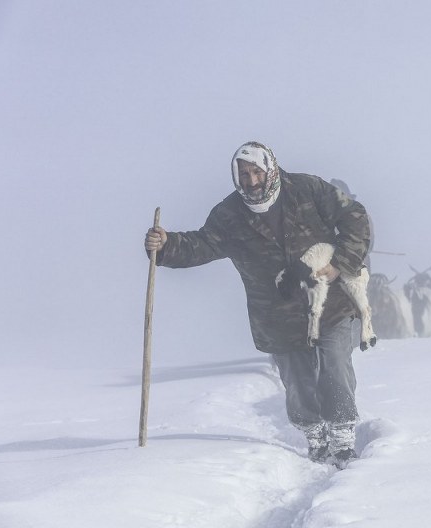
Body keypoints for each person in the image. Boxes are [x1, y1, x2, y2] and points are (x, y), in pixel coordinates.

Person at [144, 141, 372, 469]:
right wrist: (167, 245)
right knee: (298, 383)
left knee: (335, 365)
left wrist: (342, 262)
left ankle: (343, 438)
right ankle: (315, 437)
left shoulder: (307, 190)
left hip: (328, 302)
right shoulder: (229, 215)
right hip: (276, 315)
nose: (251, 181)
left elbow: (355, 217)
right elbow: (202, 244)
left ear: (270, 168)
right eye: (244, 174)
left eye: (256, 172)